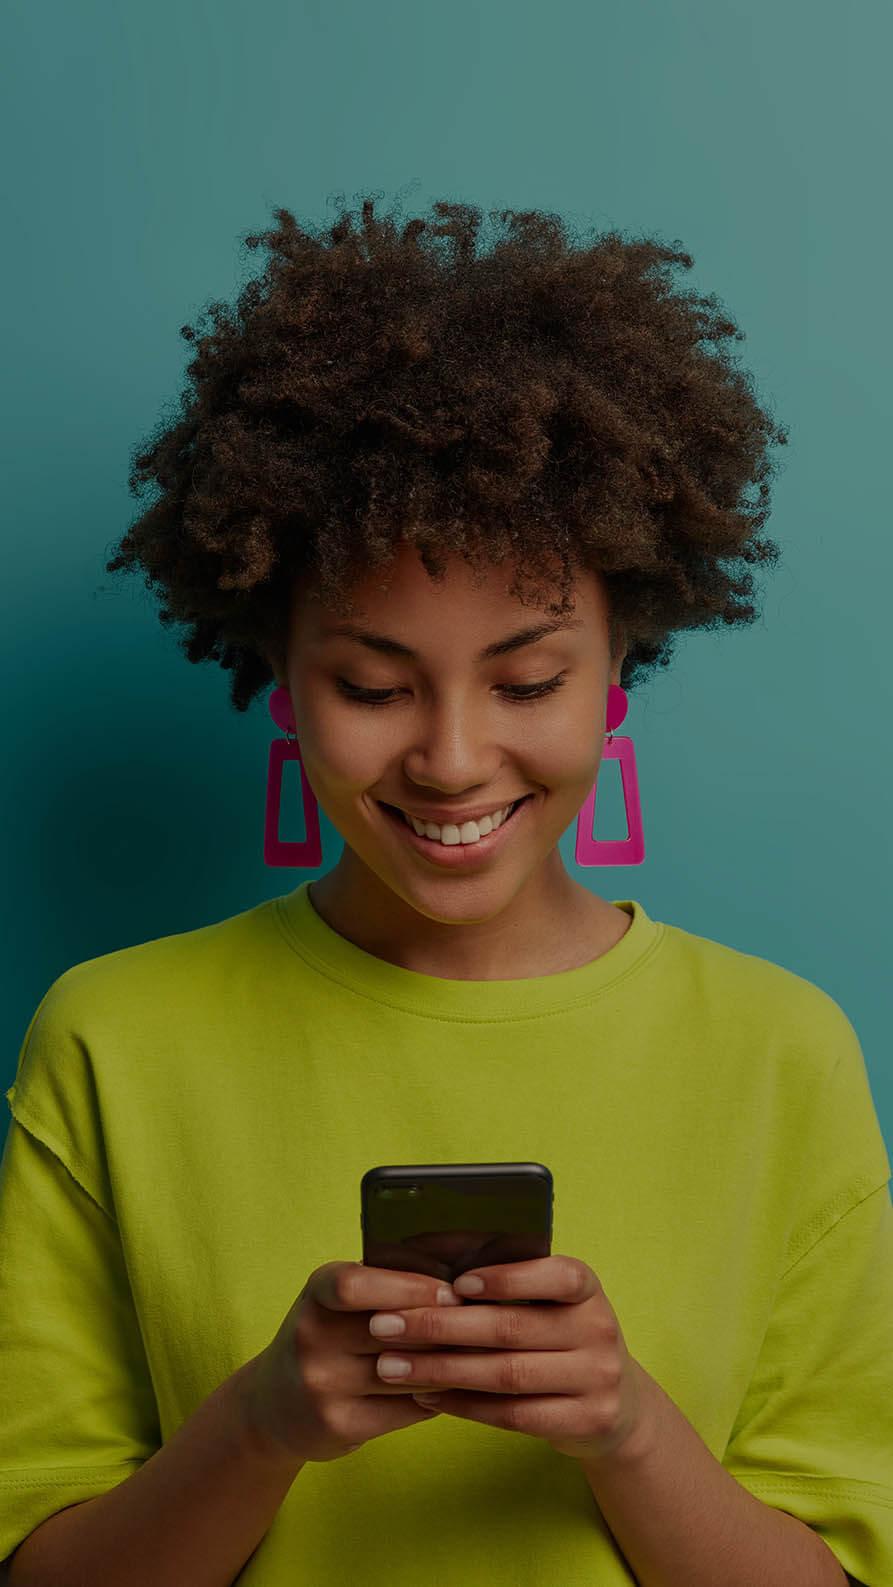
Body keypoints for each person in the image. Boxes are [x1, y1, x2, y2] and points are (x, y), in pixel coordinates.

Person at [0, 194, 887, 1587]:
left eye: (527, 680)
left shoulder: (782, 1052)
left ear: (620, 665)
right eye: (370, 684)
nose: (454, 758)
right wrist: (261, 1424)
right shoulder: (111, 1038)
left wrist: (626, 1430)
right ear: (278, 673)